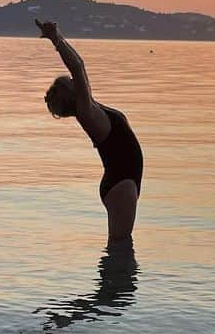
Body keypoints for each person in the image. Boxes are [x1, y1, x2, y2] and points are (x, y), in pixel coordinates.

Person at [38, 19, 144, 245]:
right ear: (70, 91)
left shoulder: (91, 107)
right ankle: (111, 282)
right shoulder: (85, 112)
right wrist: (56, 38)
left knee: (120, 247)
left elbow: (81, 69)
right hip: (121, 183)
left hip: (123, 181)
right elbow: (78, 66)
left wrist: (58, 37)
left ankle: (113, 281)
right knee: (120, 248)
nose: (75, 79)